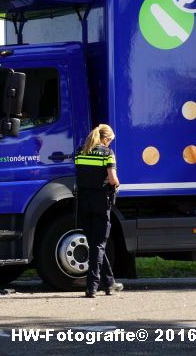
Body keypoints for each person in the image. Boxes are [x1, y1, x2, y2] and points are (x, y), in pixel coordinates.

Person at [74, 124, 124, 298]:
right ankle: (92, 286)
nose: (110, 144)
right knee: (99, 244)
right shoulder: (107, 154)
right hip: (101, 202)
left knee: (95, 244)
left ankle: (109, 283)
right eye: (109, 141)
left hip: (84, 201)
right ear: (105, 139)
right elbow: (112, 179)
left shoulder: (81, 151)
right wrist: (117, 184)